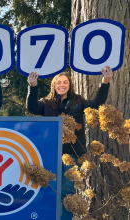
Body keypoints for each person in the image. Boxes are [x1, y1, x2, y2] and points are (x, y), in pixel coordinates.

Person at [26, 66, 113, 220]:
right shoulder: (45, 103)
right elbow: (31, 108)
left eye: (65, 82)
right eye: (58, 82)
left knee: (67, 191)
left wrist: (105, 82)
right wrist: (32, 87)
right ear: (54, 85)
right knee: (49, 189)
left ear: (69, 84)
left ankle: (65, 218)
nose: (62, 85)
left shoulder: (78, 101)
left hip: (72, 154)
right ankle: (47, 216)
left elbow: (95, 103)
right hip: (51, 154)